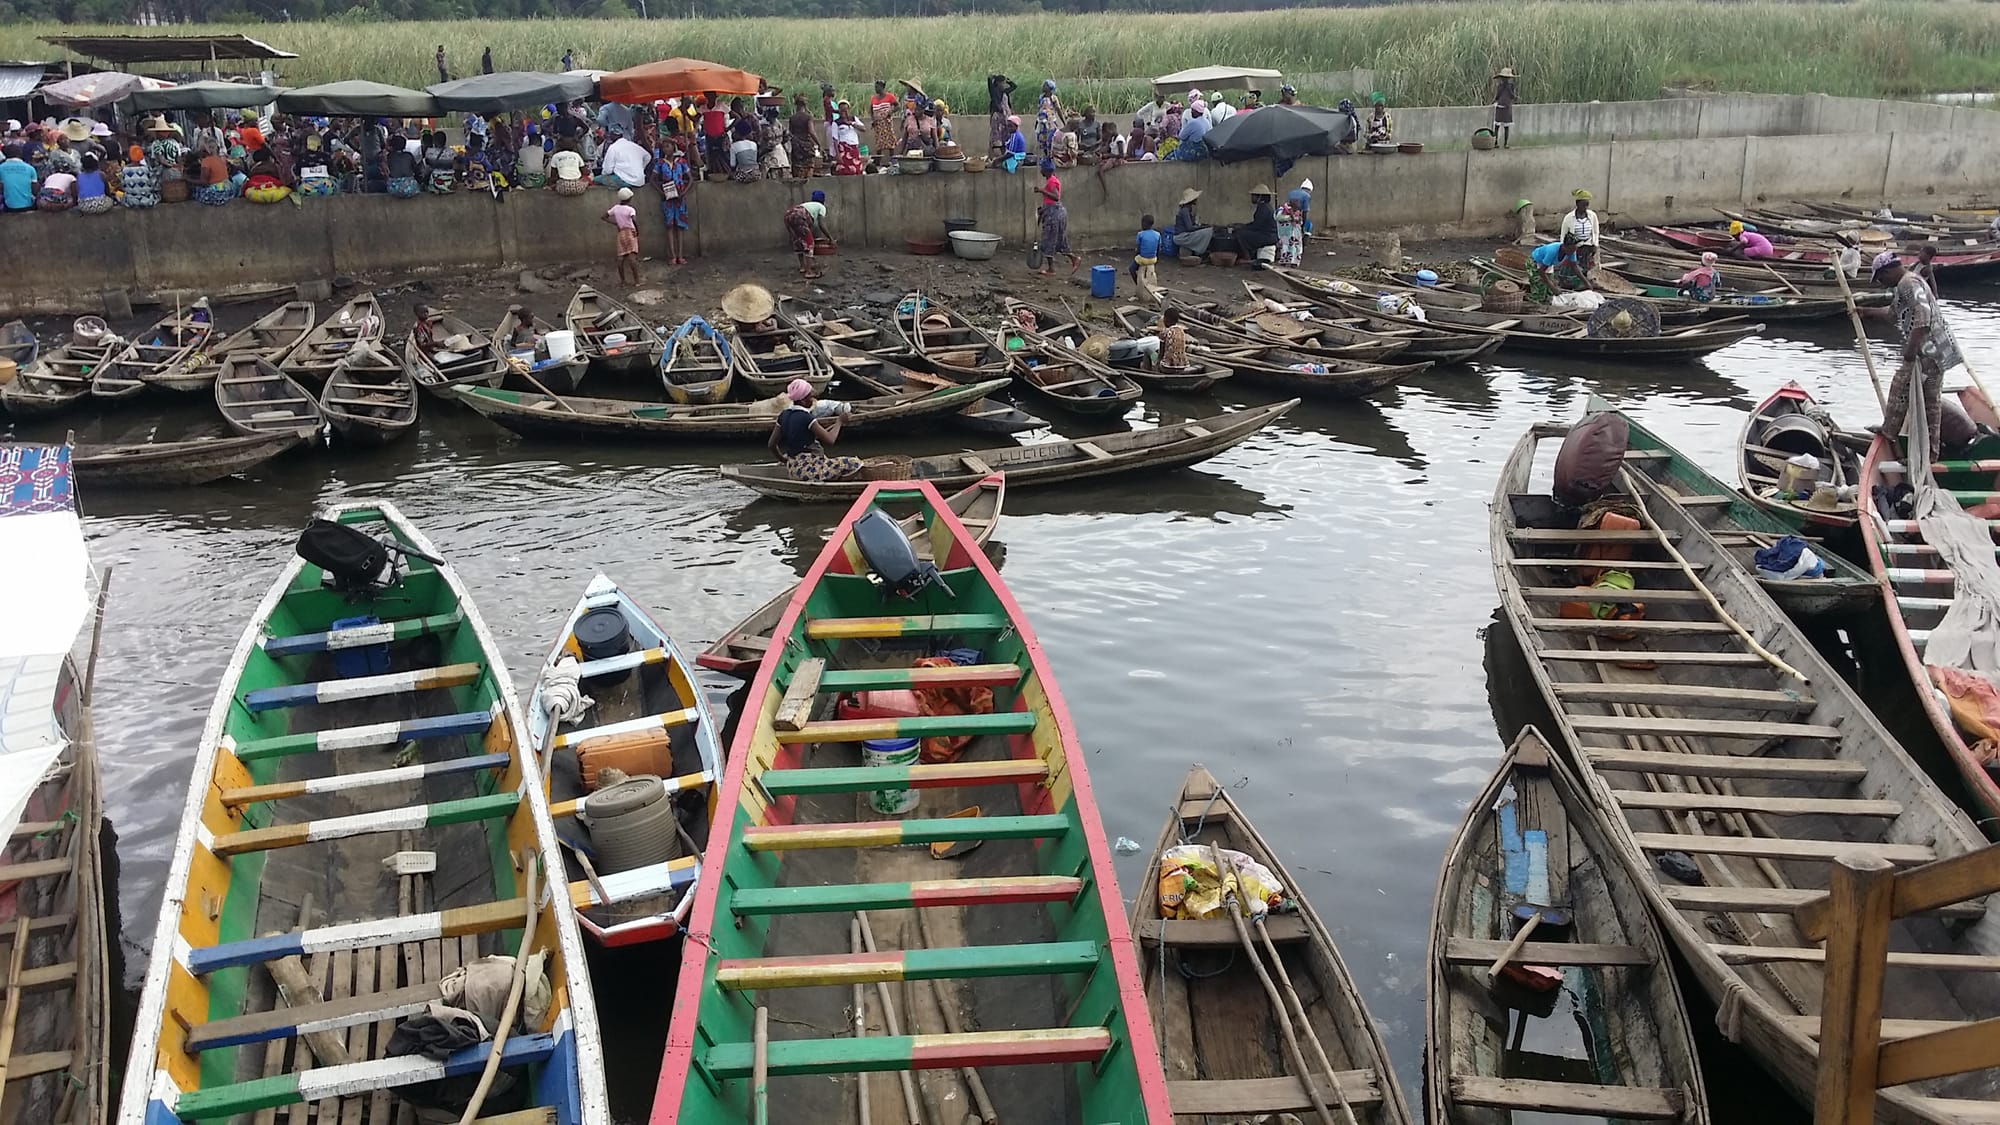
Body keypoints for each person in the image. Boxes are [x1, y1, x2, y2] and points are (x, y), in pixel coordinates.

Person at [1875, 250, 1961, 461]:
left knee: (1914, 393)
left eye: (1881, 277)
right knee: (1919, 396)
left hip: (1931, 350)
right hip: (1933, 349)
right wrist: (1863, 311)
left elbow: (1923, 320)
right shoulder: (1905, 284)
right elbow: (1891, 314)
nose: (1881, 282)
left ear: (1889, 270)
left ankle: (1903, 439)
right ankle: (1901, 437)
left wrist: (1910, 352)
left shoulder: (1908, 284)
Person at [770, 378, 862, 482]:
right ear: (803, 400)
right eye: (810, 396)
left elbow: (771, 445)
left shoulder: (783, 415)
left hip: (792, 469)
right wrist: (839, 421)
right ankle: (834, 484)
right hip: (809, 471)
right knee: (855, 463)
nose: (813, 399)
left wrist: (783, 460)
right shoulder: (807, 418)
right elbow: (830, 440)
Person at [656, 140, 692, 264]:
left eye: (668, 146)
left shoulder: (681, 162)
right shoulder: (660, 163)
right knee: (670, 226)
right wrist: (661, 192)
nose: (666, 149)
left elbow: (690, 178)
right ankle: (672, 256)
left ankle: (680, 255)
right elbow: (653, 180)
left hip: (680, 197)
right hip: (667, 197)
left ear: (673, 147)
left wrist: (684, 191)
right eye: (664, 147)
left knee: (680, 226)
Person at [1037, 175, 1079, 277]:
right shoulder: (1052, 179)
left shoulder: (1051, 181)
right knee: (1059, 241)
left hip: (1054, 215)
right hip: (1055, 213)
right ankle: (1073, 258)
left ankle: (1051, 269)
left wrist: (1041, 191)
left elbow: (1056, 197)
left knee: (1048, 241)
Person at [786, 190, 833, 278]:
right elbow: (821, 224)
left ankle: (802, 266)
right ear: (823, 200)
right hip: (799, 216)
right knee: (809, 243)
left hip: (788, 215)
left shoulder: (807, 205)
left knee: (798, 241)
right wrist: (830, 238)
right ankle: (809, 272)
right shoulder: (821, 207)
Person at [604, 187, 640, 285]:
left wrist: (616, 223)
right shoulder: (630, 209)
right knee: (632, 257)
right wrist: (637, 231)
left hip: (621, 233)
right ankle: (637, 281)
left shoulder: (615, 208)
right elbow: (633, 220)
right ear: (630, 198)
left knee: (621, 258)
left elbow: (604, 216)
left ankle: (623, 280)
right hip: (630, 232)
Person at [1239, 184, 1279, 267]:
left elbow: (1256, 226)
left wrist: (1243, 228)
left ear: (1259, 197)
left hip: (1268, 237)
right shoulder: (1265, 206)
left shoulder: (1263, 208)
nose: (1252, 198)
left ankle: (1248, 258)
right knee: (1243, 232)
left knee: (1240, 234)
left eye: (1253, 196)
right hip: (1270, 235)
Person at [1172, 186, 1213, 259]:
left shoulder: (1187, 210)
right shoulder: (1185, 211)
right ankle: (1199, 253)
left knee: (1206, 231)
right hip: (1181, 237)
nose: (1196, 199)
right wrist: (1202, 227)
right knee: (1209, 231)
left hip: (1183, 235)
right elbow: (1190, 228)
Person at [1132, 213, 1162, 297]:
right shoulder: (1158, 234)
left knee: (1131, 269)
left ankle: (1139, 284)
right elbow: (1159, 249)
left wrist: (1134, 257)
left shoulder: (1140, 234)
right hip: (1153, 259)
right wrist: (1157, 259)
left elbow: (1138, 249)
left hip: (1143, 259)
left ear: (1144, 223)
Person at [700, 93, 730, 178]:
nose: (711, 97)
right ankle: (712, 174)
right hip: (709, 137)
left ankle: (727, 173)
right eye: (709, 95)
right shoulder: (703, 108)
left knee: (724, 156)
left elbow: (737, 117)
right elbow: (695, 118)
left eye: (712, 95)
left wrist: (727, 129)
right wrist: (686, 113)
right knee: (710, 157)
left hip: (721, 136)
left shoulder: (721, 106)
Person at [869, 80, 898, 169]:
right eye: (875, 87)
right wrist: (873, 119)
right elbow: (871, 110)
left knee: (890, 140)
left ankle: (892, 159)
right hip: (878, 123)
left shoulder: (889, 96)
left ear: (882, 87)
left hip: (887, 122)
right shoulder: (873, 98)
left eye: (877, 87)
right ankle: (878, 161)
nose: (876, 89)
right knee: (879, 142)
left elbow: (897, 106)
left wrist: (890, 112)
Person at [0, 144, 36, 213]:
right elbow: (35, 189)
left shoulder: (1, 168)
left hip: (9, 207)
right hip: (28, 206)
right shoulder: (30, 168)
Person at [987, 73, 1016, 156]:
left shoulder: (1004, 92)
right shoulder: (994, 92)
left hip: (1005, 117)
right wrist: (993, 77)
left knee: (1004, 137)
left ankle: (1004, 154)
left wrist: (1009, 81)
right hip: (997, 116)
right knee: (995, 137)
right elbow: (989, 81)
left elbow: (1014, 86)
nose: (1004, 85)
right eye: (1002, 83)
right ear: (998, 83)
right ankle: (991, 155)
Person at [830, 104, 864, 175]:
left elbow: (863, 129)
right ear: (839, 111)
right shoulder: (836, 123)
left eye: (845, 110)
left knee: (857, 170)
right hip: (844, 148)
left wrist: (852, 124)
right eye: (842, 110)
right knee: (844, 170)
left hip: (854, 148)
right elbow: (835, 139)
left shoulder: (854, 119)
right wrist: (838, 154)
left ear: (848, 110)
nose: (844, 112)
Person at [1036, 79, 1062, 160]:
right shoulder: (1041, 97)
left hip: (1050, 122)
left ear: (1050, 88)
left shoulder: (1053, 98)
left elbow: (1058, 110)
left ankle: (1050, 157)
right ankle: (1046, 157)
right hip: (1041, 122)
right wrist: (1036, 122)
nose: (1043, 87)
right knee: (1042, 140)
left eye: (1045, 85)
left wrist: (1064, 122)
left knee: (1050, 140)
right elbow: (1039, 110)